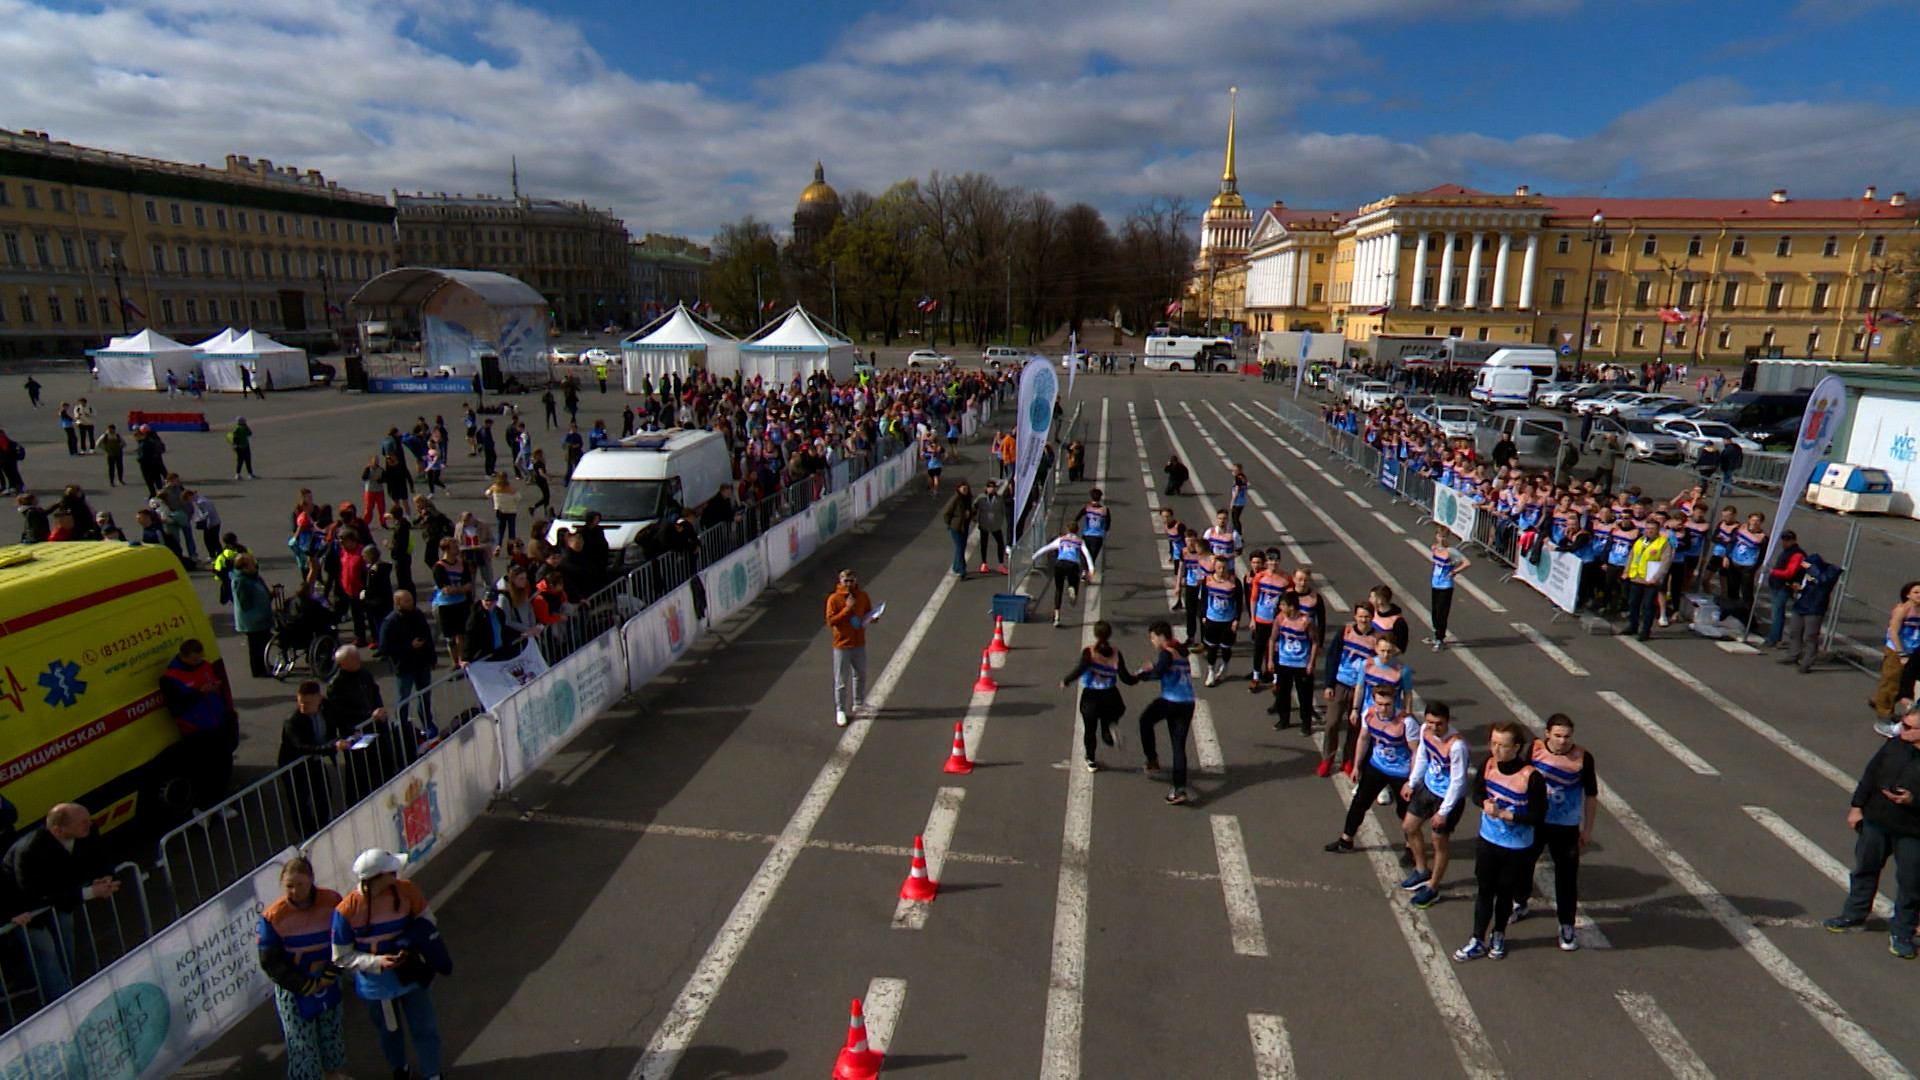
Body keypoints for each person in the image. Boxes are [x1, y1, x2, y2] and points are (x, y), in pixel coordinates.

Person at [331, 849, 447, 1080]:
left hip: (411, 973)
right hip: (378, 985)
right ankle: (400, 1068)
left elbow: (427, 920)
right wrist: (376, 962)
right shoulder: (346, 911)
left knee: (424, 1026)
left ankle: (432, 1074)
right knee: (390, 1031)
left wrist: (409, 945)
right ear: (376, 879)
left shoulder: (407, 890)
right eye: (391, 872)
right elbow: (341, 956)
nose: (397, 875)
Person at [1823, 703, 1920, 959]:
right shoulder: (1895, 746)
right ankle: (1854, 913)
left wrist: (1913, 799)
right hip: (1877, 822)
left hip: (1913, 832)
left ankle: (1902, 932)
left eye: (1909, 727)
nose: (1902, 729)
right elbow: (1871, 774)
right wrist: (1857, 807)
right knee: (1865, 869)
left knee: (1910, 883)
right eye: (1902, 723)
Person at [1453, 720, 1549, 962]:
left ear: (1516, 747)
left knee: (1505, 892)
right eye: (1493, 743)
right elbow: (1477, 792)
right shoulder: (1488, 764)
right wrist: (1483, 803)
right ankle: (1477, 938)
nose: (1496, 750)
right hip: (1488, 840)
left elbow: (1538, 815)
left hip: (1516, 847)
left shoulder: (1531, 777)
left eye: (1503, 746)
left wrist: (1509, 815)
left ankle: (1499, 934)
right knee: (1485, 890)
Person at [3, 803, 120, 998]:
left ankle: (68, 982)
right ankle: (63, 998)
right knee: (45, 950)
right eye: (82, 822)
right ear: (59, 830)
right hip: (25, 907)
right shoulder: (29, 850)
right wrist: (90, 892)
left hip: (60, 895)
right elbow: (36, 894)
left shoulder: (87, 831)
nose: (89, 824)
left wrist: (105, 876)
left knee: (66, 935)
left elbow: (102, 856)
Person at [258, 855, 352, 1080]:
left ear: (311, 880)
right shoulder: (273, 916)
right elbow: (270, 961)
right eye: (289, 886)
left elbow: (344, 937)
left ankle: (334, 1075)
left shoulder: (332, 901)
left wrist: (332, 971)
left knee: (331, 1033)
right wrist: (304, 984)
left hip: (328, 978)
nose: (294, 891)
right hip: (295, 987)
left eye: (299, 884)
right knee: (302, 1043)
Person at [1511, 713, 1598, 950]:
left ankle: (1567, 924)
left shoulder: (1583, 758)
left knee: (1567, 876)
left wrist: (1587, 829)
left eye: (1567, 737)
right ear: (1547, 733)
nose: (1562, 741)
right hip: (1537, 820)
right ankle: (1520, 900)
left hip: (1566, 826)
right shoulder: (1534, 750)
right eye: (1557, 736)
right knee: (1523, 863)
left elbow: (1591, 795)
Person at [1326, 682, 1417, 854]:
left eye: (1387, 704)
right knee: (1360, 802)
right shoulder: (1369, 714)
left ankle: (1411, 847)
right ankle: (1346, 840)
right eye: (1380, 704)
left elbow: (1417, 752)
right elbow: (1363, 738)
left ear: (1395, 702)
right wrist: (1357, 766)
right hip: (1377, 766)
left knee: (1404, 811)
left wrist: (1411, 781)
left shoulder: (1407, 722)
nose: (1383, 709)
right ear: (1374, 701)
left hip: (1401, 771)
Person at [327, 646, 416, 806]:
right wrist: (368, 714)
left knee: (383, 764)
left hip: (376, 728)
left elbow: (375, 694)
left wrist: (379, 711)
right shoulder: (336, 685)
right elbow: (341, 712)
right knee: (360, 773)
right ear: (342, 664)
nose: (358, 661)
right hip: (357, 733)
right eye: (353, 659)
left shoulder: (365, 675)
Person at [1402, 702, 1470, 909]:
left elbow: (1458, 781)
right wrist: (1412, 782)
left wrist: (1443, 812)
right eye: (1430, 722)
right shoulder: (1425, 731)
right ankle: (1422, 870)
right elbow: (1423, 756)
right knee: (1409, 827)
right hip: (1428, 789)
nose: (1433, 727)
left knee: (1439, 841)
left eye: (1438, 724)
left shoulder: (1457, 746)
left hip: (1447, 798)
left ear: (1447, 722)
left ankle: (1433, 887)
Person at [160, 639, 238, 808]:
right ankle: (205, 808)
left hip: (218, 724)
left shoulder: (205, 666)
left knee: (223, 766)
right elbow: (176, 707)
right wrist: (199, 693)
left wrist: (226, 711)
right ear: (183, 656)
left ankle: (221, 801)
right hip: (197, 732)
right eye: (195, 659)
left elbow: (219, 691)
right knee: (203, 772)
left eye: (200, 658)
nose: (199, 662)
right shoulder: (171, 678)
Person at [1134, 620, 1198, 805]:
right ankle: (1179, 789)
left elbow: (1160, 671)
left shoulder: (1166, 652)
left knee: (1145, 720)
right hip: (1188, 703)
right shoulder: (1180, 651)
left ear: (1160, 637)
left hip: (1171, 701)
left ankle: (1152, 759)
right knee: (1178, 746)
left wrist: (1142, 675)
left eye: (1153, 638)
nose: (1152, 642)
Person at [280, 681, 350, 838]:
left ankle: (323, 827)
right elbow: (302, 747)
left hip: (314, 761)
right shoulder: (293, 721)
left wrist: (350, 733)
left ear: (319, 699)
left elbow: (339, 721)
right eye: (300, 702)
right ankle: (306, 836)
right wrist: (331, 748)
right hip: (295, 766)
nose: (303, 707)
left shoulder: (327, 708)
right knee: (300, 802)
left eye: (308, 703)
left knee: (323, 793)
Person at [1061, 620, 1132, 772]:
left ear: (1095, 634)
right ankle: (1109, 733)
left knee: (1090, 730)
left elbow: (1080, 669)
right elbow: (1126, 678)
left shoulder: (1090, 652)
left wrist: (1066, 681)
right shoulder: (1116, 653)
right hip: (1111, 695)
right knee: (1107, 722)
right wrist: (1140, 676)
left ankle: (1091, 760)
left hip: (1091, 697)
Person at [1318, 601, 1378, 778]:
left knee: (1356, 727)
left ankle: (1348, 759)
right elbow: (1332, 657)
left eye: (1367, 616)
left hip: (1362, 688)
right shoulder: (1346, 632)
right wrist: (1329, 684)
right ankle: (1327, 758)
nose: (1363, 620)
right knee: (1332, 723)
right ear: (1355, 616)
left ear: (1372, 617)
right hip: (1341, 682)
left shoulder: (1376, 639)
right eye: (1360, 616)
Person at [378, 591, 438, 738]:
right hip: (404, 667)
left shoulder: (417, 614)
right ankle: (401, 728)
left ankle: (427, 723)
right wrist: (409, 646)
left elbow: (427, 636)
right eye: (407, 601)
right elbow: (385, 648)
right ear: (398, 604)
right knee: (403, 699)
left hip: (421, 663)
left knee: (425, 696)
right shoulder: (390, 622)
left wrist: (432, 658)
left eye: (411, 600)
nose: (411, 603)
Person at [825, 569, 878, 727]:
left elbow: (868, 613)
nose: (849, 584)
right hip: (842, 645)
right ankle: (840, 709)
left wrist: (873, 618)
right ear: (840, 582)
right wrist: (847, 609)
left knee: (860, 674)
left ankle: (858, 702)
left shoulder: (862, 596)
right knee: (841, 680)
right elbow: (831, 620)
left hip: (859, 642)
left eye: (851, 581)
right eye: (845, 581)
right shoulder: (834, 599)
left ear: (855, 581)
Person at [1872, 583, 1920, 733]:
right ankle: (1882, 720)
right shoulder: (1902, 609)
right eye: (1916, 592)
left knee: (1907, 684)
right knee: (1890, 683)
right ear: (1908, 594)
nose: (1919, 595)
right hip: (1897, 651)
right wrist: (1901, 653)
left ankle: (1883, 704)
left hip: (1914, 651)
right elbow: (1893, 632)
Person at [1035, 521, 1097, 628]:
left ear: (1067, 530)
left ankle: (1057, 616)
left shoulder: (1061, 539)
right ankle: (1072, 588)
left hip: (1060, 564)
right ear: (1077, 530)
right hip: (1073, 564)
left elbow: (1047, 548)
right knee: (1074, 581)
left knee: (1058, 589)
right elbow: (1087, 555)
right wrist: (1091, 569)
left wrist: (1034, 556)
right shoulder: (1080, 541)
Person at [1623, 518, 1674, 641]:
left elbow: (1665, 562)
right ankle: (1633, 625)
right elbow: (1632, 555)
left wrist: (1657, 578)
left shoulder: (1663, 543)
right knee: (1633, 603)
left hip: (1651, 580)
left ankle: (1646, 630)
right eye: (1648, 529)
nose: (1649, 531)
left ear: (1658, 530)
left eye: (1652, 529)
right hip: (1636, 577)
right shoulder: (1640, 540)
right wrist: (1627, 571)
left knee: (1648, 606)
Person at [1426, 527, 1471, 651]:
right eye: (1440, 536)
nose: (1442, 539)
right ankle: (1436, 635)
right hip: (1435, 584)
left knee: (1442, 613)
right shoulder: (1434, 548)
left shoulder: (1451, 551)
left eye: (1444, 536)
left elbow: (1467, 562)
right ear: (1436, 536)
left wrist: (1454, 571)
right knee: (1435, 612)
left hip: (1446, 585)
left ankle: (1440, 639)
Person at [231, 554, 275, 678]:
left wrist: (269, 596)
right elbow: (244, 603)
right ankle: (258, 669)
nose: (255, 565)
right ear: (244, 566)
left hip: (262, 617)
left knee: (264, 642)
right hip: (253, 620)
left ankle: (265, 664)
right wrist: (258, 611)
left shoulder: (254, 577)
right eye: (252, 563)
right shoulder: (241, 581)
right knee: (256, 646)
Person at [1763, 529, 1806, 648]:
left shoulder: (1797, 554)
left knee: (1777, 612)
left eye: (1788, 540)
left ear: (1793, 540)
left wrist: (1774, 572)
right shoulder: (1787, 552)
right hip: (1777, 585)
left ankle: (1774, 638)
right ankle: (1774, 636)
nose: (1785, 542)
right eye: (1784, 540)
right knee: (1776, 611)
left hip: (1785, 586)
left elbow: (1790, 572)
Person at [941, 481, 974, 579]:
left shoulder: (967, 499)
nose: (965, 491)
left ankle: (956, 567)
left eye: (966, 489)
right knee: (960, 547)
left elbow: (970, 510)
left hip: (965, 526)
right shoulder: (955, 499)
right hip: (956, 527)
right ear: (959, 489)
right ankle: (961, 570)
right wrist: (948, 525)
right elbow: (946, 512)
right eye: (963, 489)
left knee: (961, 547)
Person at [1079, 487, 1110, 567]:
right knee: (1093, 556)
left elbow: (1077, 517)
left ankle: (1084, 571)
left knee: (1085, 555)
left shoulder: (1087, 508)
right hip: (1098, 536)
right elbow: (1108, 523)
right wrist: (1105, 528)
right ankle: (1089, 572)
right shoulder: (1105, 510)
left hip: (1086, 534)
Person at [1229, 465, 1250, 533]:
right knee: (1236, 519)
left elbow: (1236, 492)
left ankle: (1238, 535)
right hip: (1242, 501)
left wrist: (1232, 502)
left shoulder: (1238, 478)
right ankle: (1238, 534)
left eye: (1234, 470)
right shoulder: (1244, 478)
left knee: (1235, 519)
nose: (1232, 472)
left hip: (1237, 502)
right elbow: (1245, 488)